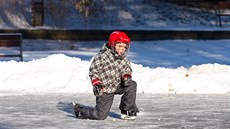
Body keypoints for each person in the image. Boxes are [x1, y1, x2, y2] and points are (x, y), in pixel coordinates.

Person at [73, 31, 139, 120]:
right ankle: (81, 111)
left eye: (124, 47)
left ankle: (127, 110)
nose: (122, 49)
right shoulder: (102, 56)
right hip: (105, 89)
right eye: (119, 46)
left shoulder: (124, 58)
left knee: (132, 84)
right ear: (112, 44)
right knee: (100, 116)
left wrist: (126, 76)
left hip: (118, 85)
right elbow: (94, 71)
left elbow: (127, 69)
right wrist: (97, 83)